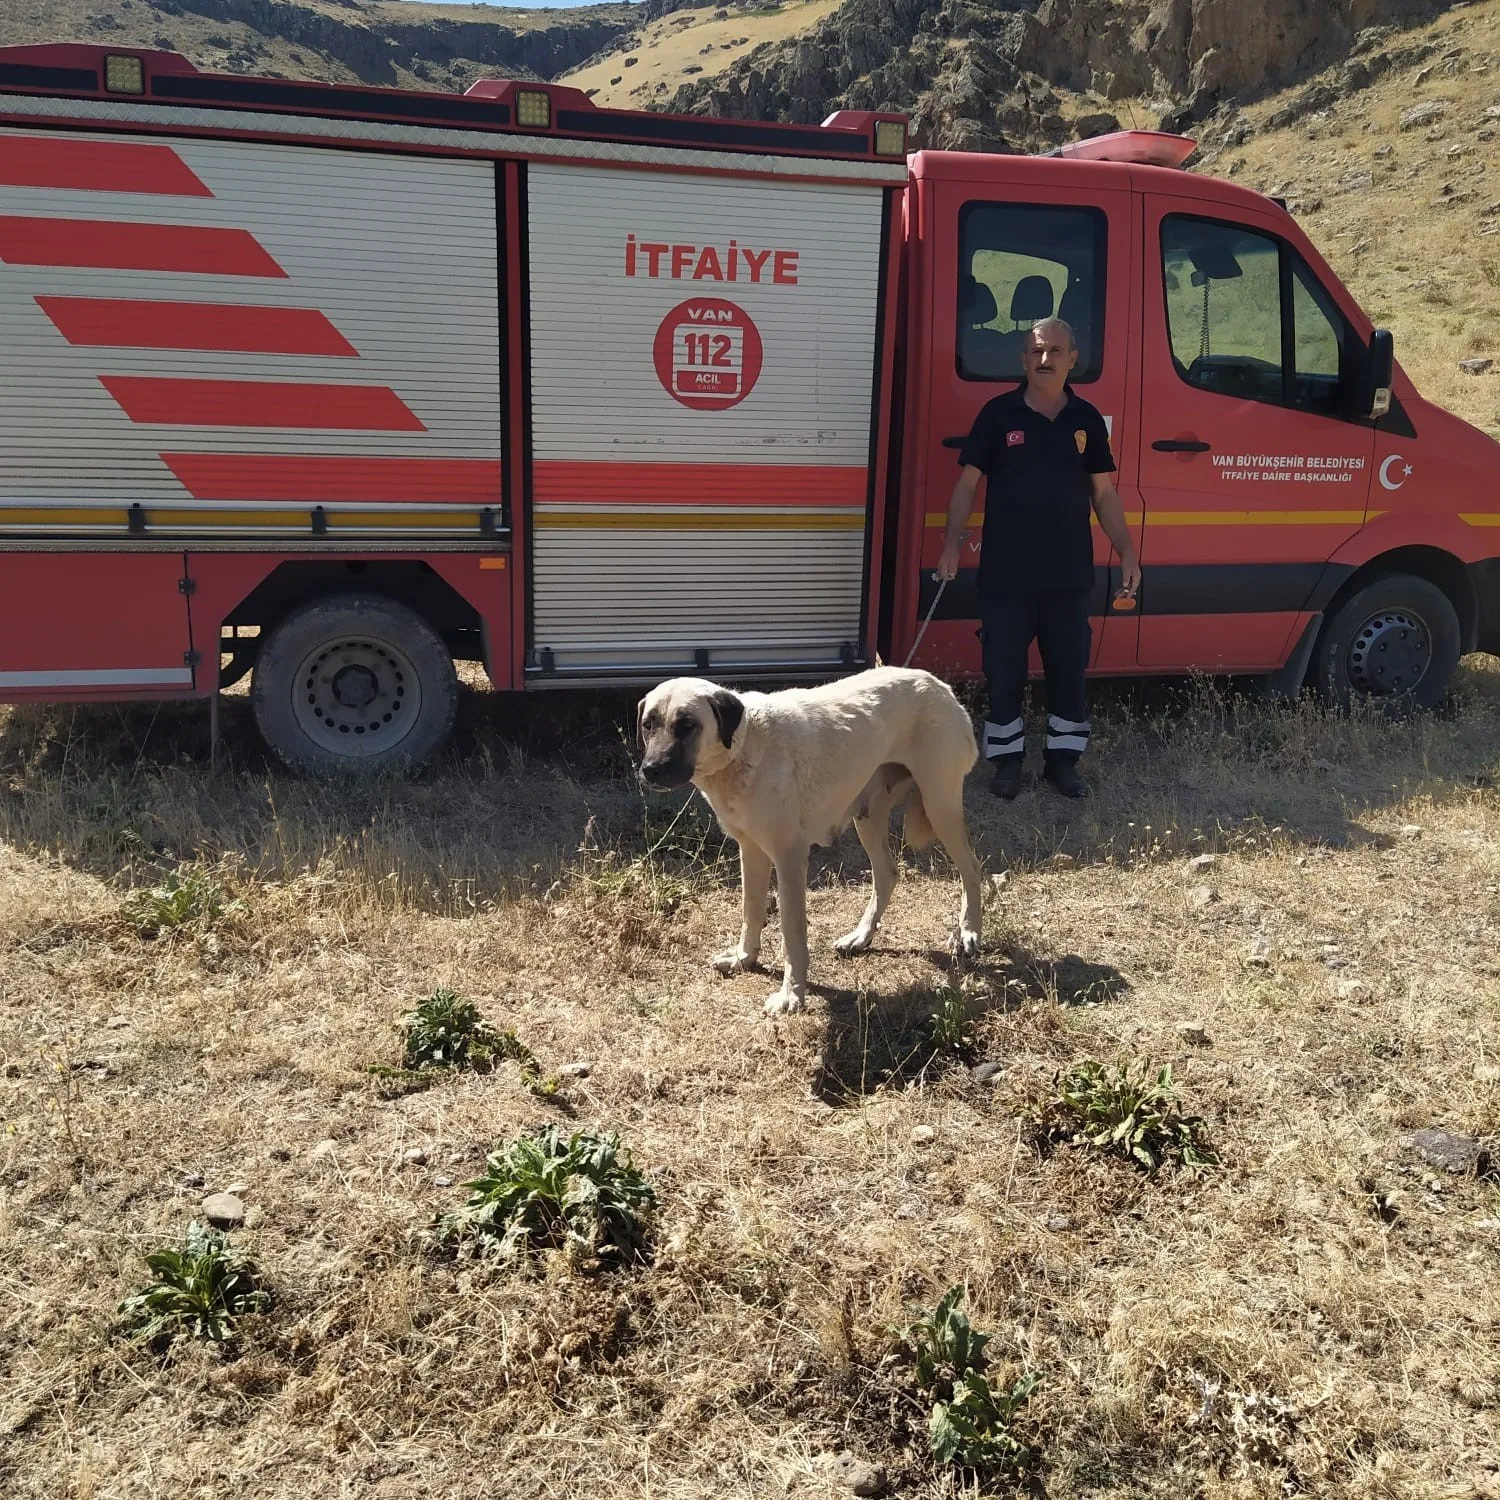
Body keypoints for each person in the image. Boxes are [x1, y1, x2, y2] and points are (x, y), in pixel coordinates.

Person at [936, 317, 1140, 800]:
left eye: (1055, 351)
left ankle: (1063, 764)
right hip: (1005, 576)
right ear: (1024, 360)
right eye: (1035, 351)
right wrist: (950, 543)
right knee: (1003, 672)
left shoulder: (1086, 420)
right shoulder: (997, 415)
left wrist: (1127, 549)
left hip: (1068, 576)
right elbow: (967, 485)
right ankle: (1006, 764)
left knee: (1068, 672)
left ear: (1073, 359)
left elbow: (1104, 493)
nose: (1044, 359)